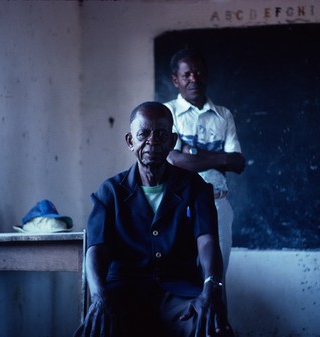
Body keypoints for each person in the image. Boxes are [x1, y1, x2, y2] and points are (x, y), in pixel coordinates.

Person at [74, 102, 234, 337]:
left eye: (160, 134)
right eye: (143, 134)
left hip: (180, 294)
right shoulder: (110, 192)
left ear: (172, 141)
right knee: (95, 331)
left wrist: (211, 287)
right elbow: (95, 248)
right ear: (131, 141)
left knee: (215, 330)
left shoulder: (195, 187)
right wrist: (99, 296)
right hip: (124, 295)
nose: (152, 141)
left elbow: (207, 241)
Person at [164, 48, 246, 276]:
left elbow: (238, 163)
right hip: (180, 207)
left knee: (216, 279)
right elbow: (173, 160)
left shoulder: (224, 115)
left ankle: (216, 313)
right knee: (182, 278)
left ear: (206, 75)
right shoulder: (166, 112)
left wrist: (194, 154)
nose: (194, 79)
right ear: (175, 80)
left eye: (199, 73)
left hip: (218, 205)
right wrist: (219, 158)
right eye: (187, 74)